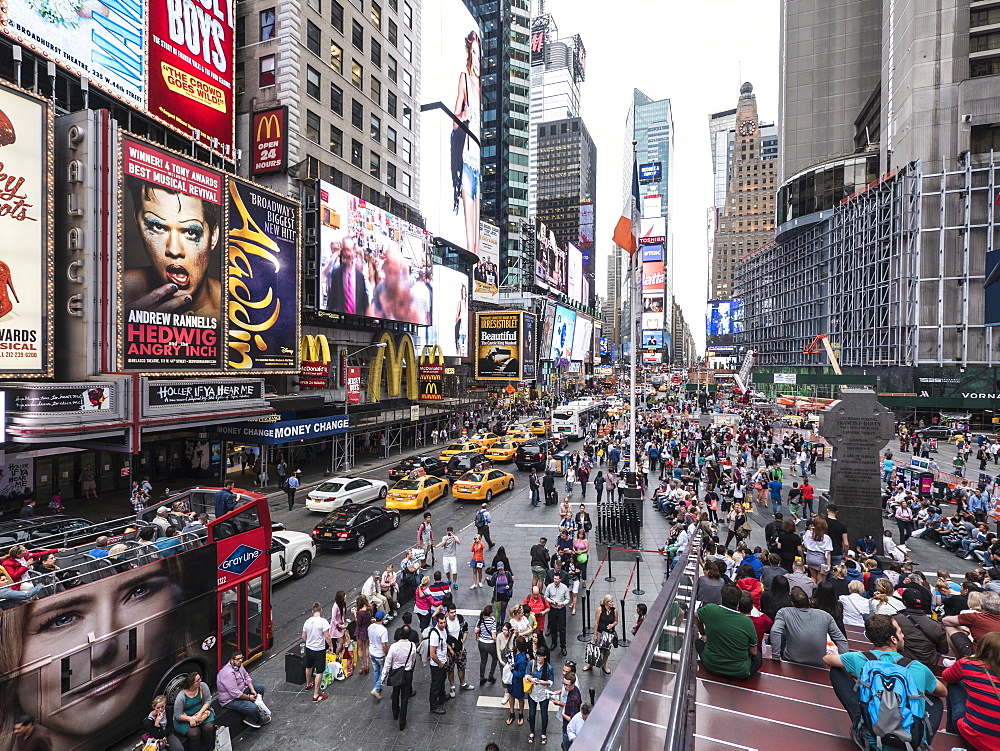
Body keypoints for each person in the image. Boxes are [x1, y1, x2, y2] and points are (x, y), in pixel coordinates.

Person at [823, 615, 946, 745]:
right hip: (909, 743)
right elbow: (943, 692)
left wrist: (860, 676)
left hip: (872, 740)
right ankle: (921, 741)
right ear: (893, 639)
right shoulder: (917, 667)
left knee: (837, 670)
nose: (903, 635)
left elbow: (827, 659)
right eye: (900, 632)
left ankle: (861, 726)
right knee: (935, 701)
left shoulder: (860, 658)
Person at [124, 179, 221, 320]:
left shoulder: (237, 309)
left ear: (213, 237)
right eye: (158, 227)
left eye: (191, 232)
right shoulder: (111, 293)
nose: (174, 250)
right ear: (137, 222)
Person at [941, 631, 1000, 748]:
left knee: (954, 683)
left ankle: (950, 732)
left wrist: (972, 658)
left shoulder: (968, 664)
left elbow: (946, 675)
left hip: (976, 736)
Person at [694, 584, 762, 679]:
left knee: (698, 642)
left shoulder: (710, 609)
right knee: (758, 657)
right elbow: (754, 651)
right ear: (739, 602)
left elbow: (696, 617)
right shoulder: (747, 622)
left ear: (721, 597)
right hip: (739, 671)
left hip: (711, 665)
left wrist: (703, 634)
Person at [770, 586, 848, 667]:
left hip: (792, 661)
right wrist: (844, 664)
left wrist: (776, 656)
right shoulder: (825, 615)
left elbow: (775, 631)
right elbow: (841, 639)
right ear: (809, 601)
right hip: (820, 663)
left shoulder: (784, 612)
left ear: (792, 603)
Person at [216, 651, 268, 728]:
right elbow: (236, 694)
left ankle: (257, 711)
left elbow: (247, 677)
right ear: (231, 660)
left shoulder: (239, 665)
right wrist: (249, 698)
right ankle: (256, 720)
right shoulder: (227, 674)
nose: (240, 660)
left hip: (242, 689)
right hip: (230, 699)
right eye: (238, 659)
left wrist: (252, 689)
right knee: (252, 708)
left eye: (241, 658)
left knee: (260, 688)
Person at [385, 624, 418, 731]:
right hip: (407, 673)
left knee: (395, 692)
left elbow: (388, 662)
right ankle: (402, 722)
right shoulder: (413, 646)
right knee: (404, 697)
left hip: (396, 672)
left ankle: (395, 712)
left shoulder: (394, 647)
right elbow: (413, 661)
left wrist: (383, 677)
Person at [172, 672, 216, 751]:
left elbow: (208, 701)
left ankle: (211, 748)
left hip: (201, 712)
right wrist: (190, 719)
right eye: (198, 680)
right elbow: (177, 715)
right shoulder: (181, 696)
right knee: (194, 733)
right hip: (185, 718)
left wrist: (200, 713)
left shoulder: (203, 686)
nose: (200, 681)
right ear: (192, 683)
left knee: (209, 727)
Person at [325, 236, 370, 314]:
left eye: (348, 250)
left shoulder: (360, 276)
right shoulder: (336, 274)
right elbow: (332, 301)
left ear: (354, 251)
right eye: (344, 249)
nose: (346, 253)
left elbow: (364, 302)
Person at [301, 602, 333, 702]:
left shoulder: (307, 622)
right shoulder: (323, 622)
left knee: (309, 666)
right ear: (321, 610)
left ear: (312, 611)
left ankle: (308, 684)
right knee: (320, 671)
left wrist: (309, 642)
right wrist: (331, 646)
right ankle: (316, 694)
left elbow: (303, 637)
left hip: (309, 648)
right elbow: (327, 636)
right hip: (319, 650)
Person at [525, 647, 555, 745]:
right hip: (532, 693)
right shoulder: (531, 663)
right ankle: (532, 731)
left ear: (545, 656)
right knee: (532, 714)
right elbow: (526, 675)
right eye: (538, 655)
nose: (539, 658)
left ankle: (543, 733)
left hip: (543, 694)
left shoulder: (549, 668)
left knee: (544, 714)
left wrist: (543, 682)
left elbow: (551, 682)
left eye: (541, 656)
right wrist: (531, 679)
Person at [586, 594, 619, 675]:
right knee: (595, 648)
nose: (612, 603)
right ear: (606, 602)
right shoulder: (600, 609)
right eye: (611, 602)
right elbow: (596, 622)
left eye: (612, 601)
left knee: (606, 650)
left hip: (609, 634)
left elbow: (616, 621)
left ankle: (604, 665)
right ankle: (590, 664)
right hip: (600, 632)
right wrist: (595, 634)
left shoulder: (614, 610)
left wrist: (612, 625)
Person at [428, 611, 450, 715]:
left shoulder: (444, 630)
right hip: (437, 664)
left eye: (444, 622)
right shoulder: (434, 634)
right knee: (435, 684)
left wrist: (445, 656)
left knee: (442, 680)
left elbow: (443, 644)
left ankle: (442, 696)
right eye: (441, 623)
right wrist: (440, 663)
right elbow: (432, 653)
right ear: (437, 622)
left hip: (443, 660)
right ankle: (434, 705)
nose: (443, 624)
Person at [545, 572, 570, 656]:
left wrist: (562, 603)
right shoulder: (549, 587)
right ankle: (554, 643)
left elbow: (567, 599)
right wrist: (551, 601)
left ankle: (563, 646)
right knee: (553, 627)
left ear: (560, 579)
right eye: (554, 579)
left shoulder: (564, 587)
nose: (555, 580)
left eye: (557, 579)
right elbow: (546, 597)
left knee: (562, 629)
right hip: (552, 609)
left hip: (561, 609)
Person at [368, 609, 389, 699]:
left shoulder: (370, 627)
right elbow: (384, 645)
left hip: (372, 652)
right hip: (380, 654)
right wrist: (386, 654)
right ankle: (376, 688)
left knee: (376, 670)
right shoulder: (383, 630)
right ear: (383, 618)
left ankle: (377, 687)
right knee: (384, 671)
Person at [508, 636, 530, 726]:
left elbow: (521, 674)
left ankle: (520, 714)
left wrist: (512, 670)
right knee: (511, 695)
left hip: (518, 681)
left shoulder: (522, 659)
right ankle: (511, 713)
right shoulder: (515, 652)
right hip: (512, 680)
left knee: (520, 698)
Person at [475, 604, 499, 686]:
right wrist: (497, 642)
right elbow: (493, 636)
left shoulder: (480, 620)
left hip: (481, 643)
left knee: (483, 660)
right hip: (490, 644)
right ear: (490, 614)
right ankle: (490, 675)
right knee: (495, 658)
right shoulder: (492, 621)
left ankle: (482, 677)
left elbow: (476, 630)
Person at [559, 671, 583, 750]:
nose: (565, 687)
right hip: (571, 726)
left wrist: (563, 714)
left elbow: (572, 718)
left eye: (567, 685)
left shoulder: (573, 699)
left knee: (567, 747)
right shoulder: (575, 689)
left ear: (573, 684)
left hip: (569, 728)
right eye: (564, 684)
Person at [330, 590, 349, 656]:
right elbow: (333, 619)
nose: (345, 596)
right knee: (341, 642)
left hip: (341, 625)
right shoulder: (335, 607)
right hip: (336, 627)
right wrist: (340, 626)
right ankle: (336, 655)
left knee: (343, 642)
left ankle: (338, 655)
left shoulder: (343, 604)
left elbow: (342, 615)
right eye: (344, 595)